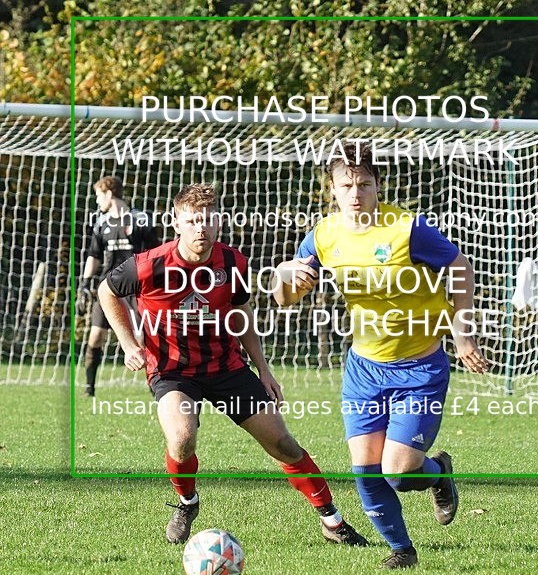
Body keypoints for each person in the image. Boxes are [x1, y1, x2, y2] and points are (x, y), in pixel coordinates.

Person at [98, 183, 367, 547]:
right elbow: (107, 291)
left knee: (284, 444)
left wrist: (264, 369)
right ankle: (186, 503)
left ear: (219, 223)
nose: (201, 228)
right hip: (172, 370)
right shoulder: (150, 264)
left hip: (226, 367)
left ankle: (332, 521)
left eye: (208, 219)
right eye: (192, 220)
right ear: (176, 224)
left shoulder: (232, 262)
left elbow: (241, 314)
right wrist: (129, 343)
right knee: (182, 438)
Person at [273, 141, 489, 569]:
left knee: (398, 470)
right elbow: (286, 298)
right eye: (347, 185)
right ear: (331, 189)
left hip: (421, 367)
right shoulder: (322, 235)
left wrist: (463, 335)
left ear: (378, 186)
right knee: (365, 472)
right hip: (365, 370)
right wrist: (283, 276)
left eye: (365, 184)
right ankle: (401, 551)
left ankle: (438, 473)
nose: (356, 193)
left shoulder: (406, 230)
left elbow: (459, 266)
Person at [77, 176, 161, 397]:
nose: (97, 202)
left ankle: (156, 386)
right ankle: (89, 388)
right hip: (108, 289)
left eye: (98, 196)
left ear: (108, 193)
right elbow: (93, 255)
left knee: (144, 339)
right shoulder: (101, 222)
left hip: (137, 289)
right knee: (95, 336)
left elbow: (155, 252)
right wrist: (84, 284)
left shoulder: (141, 219)